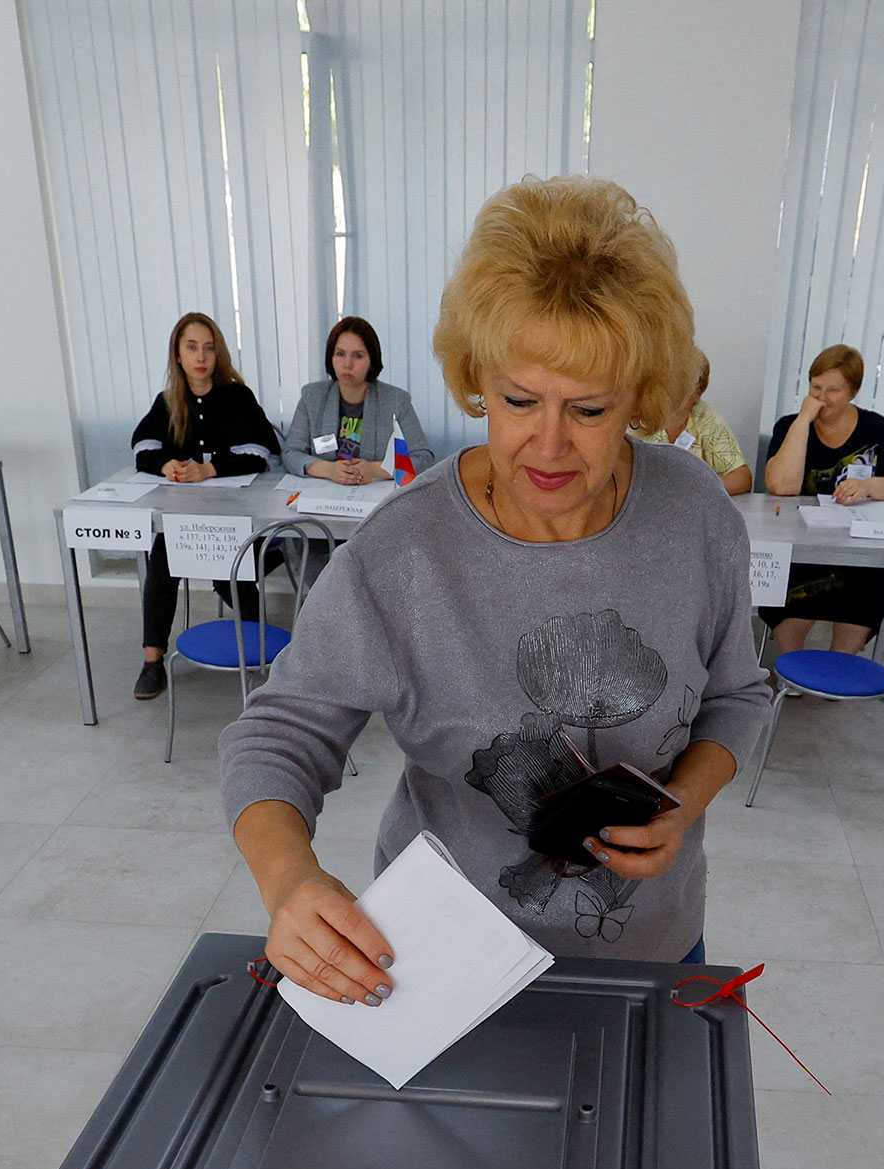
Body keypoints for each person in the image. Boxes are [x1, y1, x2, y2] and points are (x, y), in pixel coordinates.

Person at [220, 175, 770, 993]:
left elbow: (738, 696)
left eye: (588, 411)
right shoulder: (403, 553)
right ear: (477, 376)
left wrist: (684, 802)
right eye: (518, 401)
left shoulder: (695, 514)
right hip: (446, 965)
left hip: (651, 953)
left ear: (641, 402)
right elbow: (276, 739)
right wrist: (290, 880)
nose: (547, 447)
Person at [131, 311, 281, 700]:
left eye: (209, 348)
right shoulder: (167, 402)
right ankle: (152, 661)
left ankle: (260, 655)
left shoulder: (237, 396)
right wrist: (166, 464)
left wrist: (211, 469)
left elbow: (263, 451)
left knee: (231, 568)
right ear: (178, 355)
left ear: (218, 354)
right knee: (162, 558)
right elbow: (142, 447)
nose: (201, 356)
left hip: (236, 514)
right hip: (185, 516)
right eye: (192, 347)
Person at [760, 344, 884, 655]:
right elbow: (781, 486)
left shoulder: (874, 428)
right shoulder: (789, 426)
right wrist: (803, 422)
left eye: (833, 390)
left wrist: (870, 486)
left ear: (852, 392)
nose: (822, 397)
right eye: (816, 387)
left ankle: (840, 665)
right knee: (789, 586)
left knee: (868, 583)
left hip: (856, 551)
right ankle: (792, 666)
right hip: (800, 548)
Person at [281, 315, 438, 485]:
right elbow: (290, 454)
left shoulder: (396, 400)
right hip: (326, 492)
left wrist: (376, 470)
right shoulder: (312, 396)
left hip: (376, 495)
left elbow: (423, 458)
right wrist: (329, 469)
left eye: (358, 356)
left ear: (371, 360)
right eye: (340, 354)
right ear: (330, 357)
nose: (347, 364)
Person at [635, 349, 750, 495]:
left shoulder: (707, 420)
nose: (674, 391)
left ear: (698, 393)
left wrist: (695, 492)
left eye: (683, 385)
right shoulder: (636, 416)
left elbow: (742, 478)